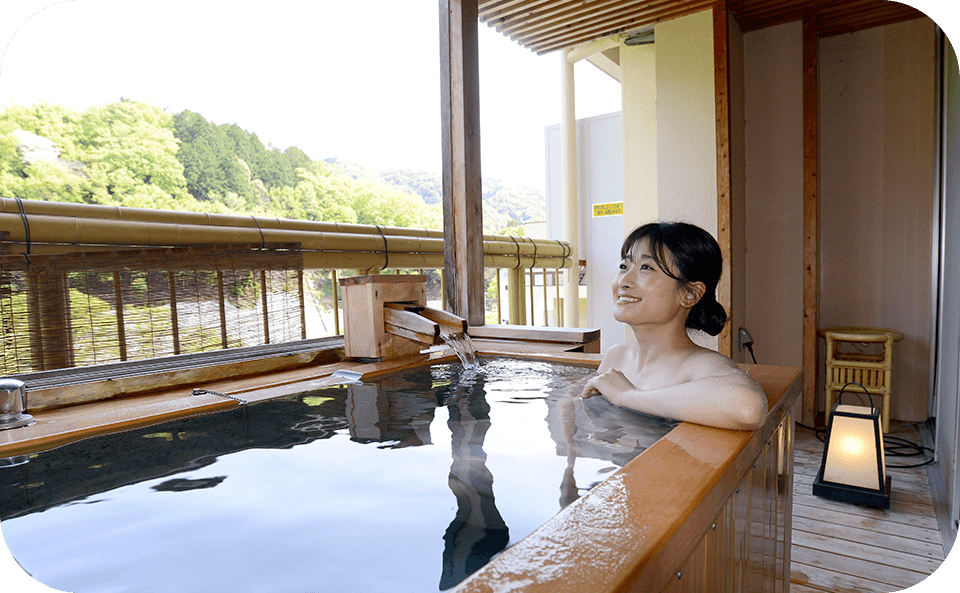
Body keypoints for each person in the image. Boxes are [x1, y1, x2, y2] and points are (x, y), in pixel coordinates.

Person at [580, 221, 768, 431]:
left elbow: (748, 409)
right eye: (624, 266)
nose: (623, 280)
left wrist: (628, 396)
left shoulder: (700, 365)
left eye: (646, 267)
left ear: (689, 294)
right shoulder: (617, 356)